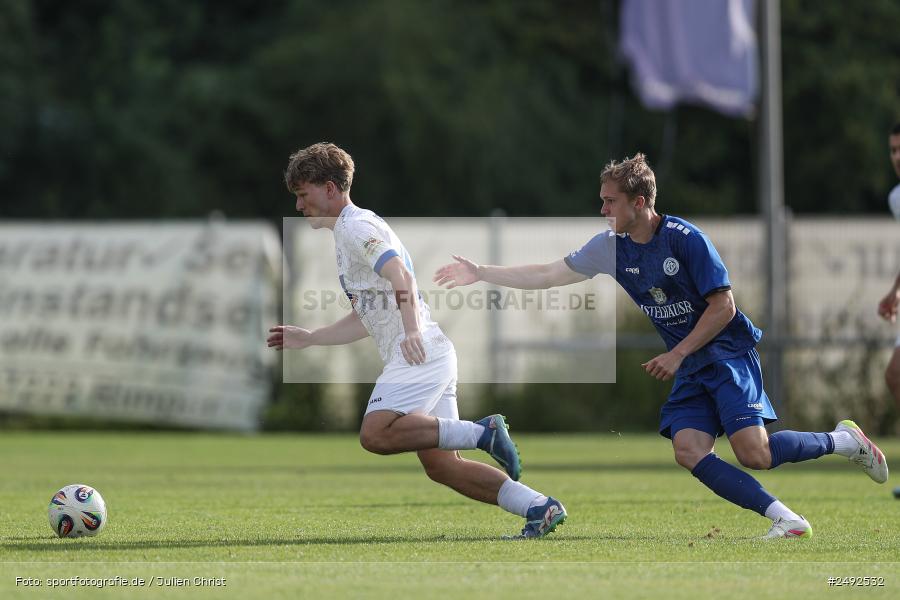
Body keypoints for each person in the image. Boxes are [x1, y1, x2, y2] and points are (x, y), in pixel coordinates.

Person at [434, 152, 889, 539]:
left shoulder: (685, 239)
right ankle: (785, 519)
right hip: (691, 362)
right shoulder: (610, 246)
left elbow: (724, 308)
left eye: (610, 202)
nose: (602, 211)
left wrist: (677, 353)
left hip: (726, 355)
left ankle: (843, 440)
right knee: (689, 450)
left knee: (756, 454)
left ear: (639, 202)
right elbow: (548, 274)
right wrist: (482, 272)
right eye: (602, 201)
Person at [268, 142, 566, 538]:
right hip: (430, 351)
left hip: (419, 351)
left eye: (303, 195)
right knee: (443, 465)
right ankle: (540, 507)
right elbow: (367, 317)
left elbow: (401, 277)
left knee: (375, 434)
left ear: (330, 188)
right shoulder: (347, 232)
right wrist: (312, 338)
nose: (300, 207)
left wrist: (410, 330)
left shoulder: (356, 227)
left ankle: (484, 433)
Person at [876, 123, 900, 408]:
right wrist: (895, 291)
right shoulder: (896, 198)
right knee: (895, 375)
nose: (896, 156)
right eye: (893, 150)